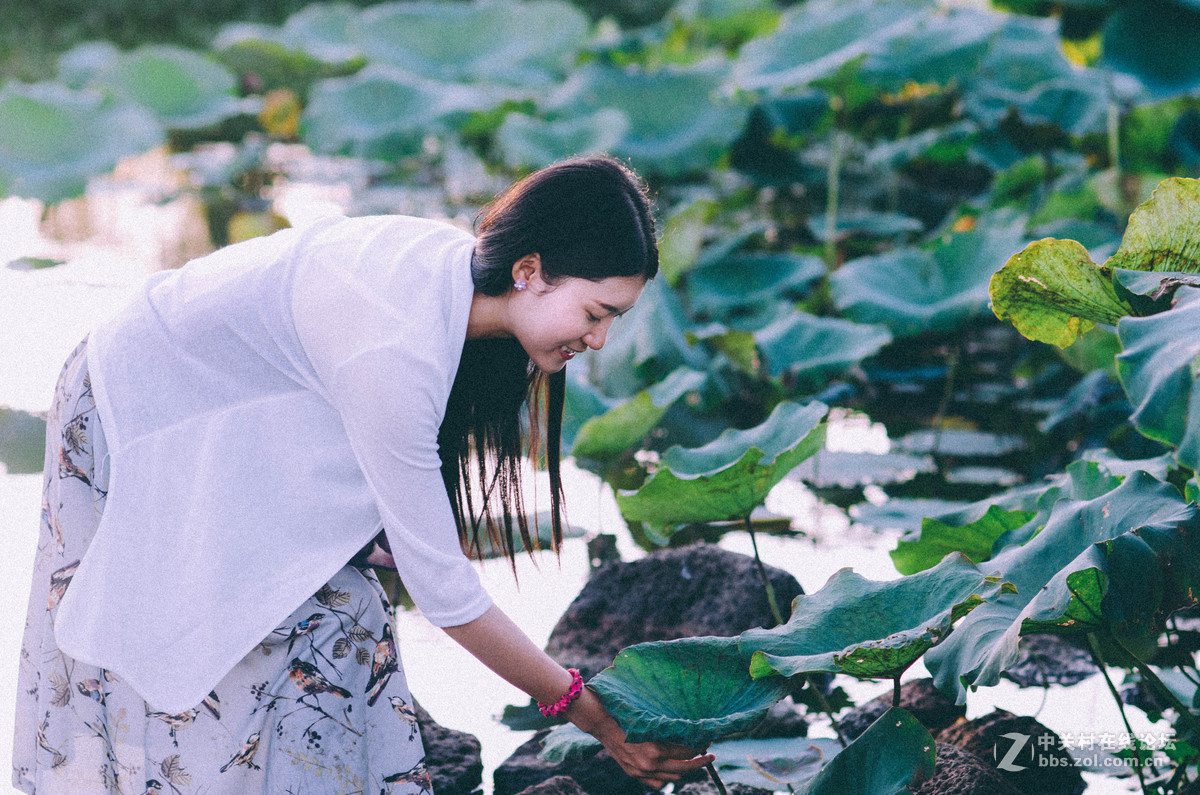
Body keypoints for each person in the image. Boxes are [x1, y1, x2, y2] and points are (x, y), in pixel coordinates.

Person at [13, 156, 714, 794]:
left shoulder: (457, 298)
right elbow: (446, 594)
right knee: (189, 643)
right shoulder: (399, 350)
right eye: (596, 313)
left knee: (346, 610)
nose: (599, 341)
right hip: (139, 405)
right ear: (527, 270)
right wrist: (591, 716)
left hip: (242, 417)